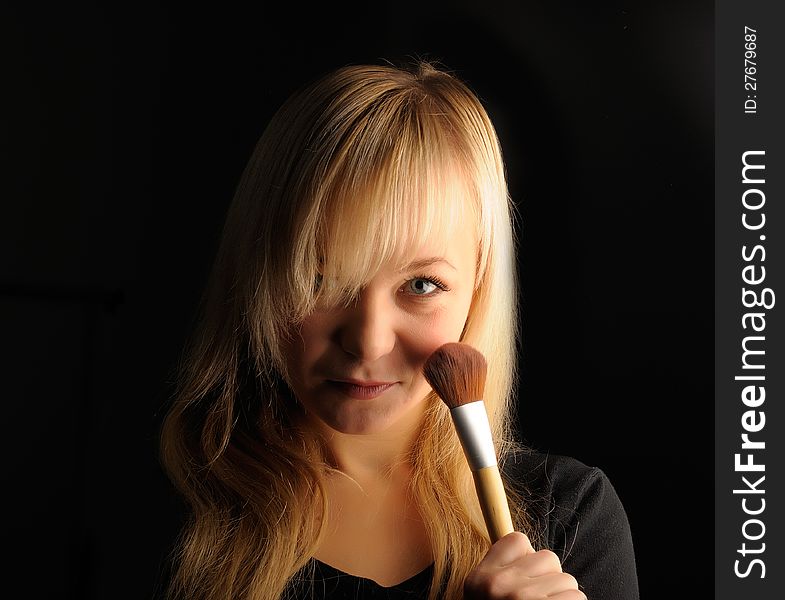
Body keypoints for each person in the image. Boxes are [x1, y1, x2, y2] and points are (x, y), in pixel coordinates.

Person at [159, 60, 639, 600]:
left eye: (421, 286)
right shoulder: (177, 515)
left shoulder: (571, 517)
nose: (368, 341)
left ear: (477, 291)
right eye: (319, 280)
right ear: (258, 277)